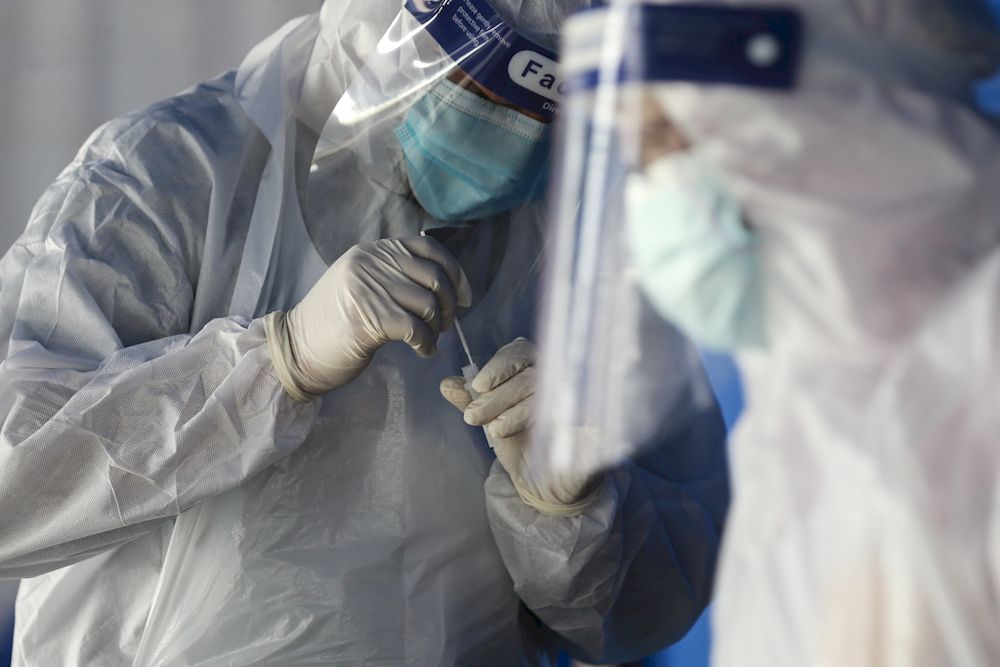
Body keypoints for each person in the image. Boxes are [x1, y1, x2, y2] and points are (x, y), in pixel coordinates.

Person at [0, 1, 729, 664]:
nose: (499, 122)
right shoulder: (169, 176)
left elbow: (655, 608)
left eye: (537, 96)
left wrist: (573, 512)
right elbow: (15, 483)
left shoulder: (582, 239)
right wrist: (272, 363)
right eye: (467, 67)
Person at [549, 0, 1000, 663]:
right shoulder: (798, 432)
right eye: (638, 157)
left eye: (665, 141)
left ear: (808, 116)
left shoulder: (976, 377)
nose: (650, 194)